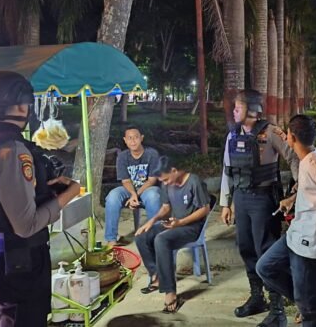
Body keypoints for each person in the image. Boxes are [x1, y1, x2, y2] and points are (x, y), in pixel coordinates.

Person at [0, 71, 81, 326]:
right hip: (20, 266)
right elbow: (25, 226)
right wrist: (69, 194)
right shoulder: (12, 151)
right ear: (18, 105)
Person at [256, 115, 316, 327]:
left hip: (309, 243)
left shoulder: (313, 164)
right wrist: (292, 199)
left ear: (292, 137)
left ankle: (309, 304)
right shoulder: (311, 154)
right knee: (265, 267)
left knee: (310, 314)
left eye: (287, 135)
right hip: (295, 234)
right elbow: (311, 186)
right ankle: (309, 298)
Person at [219, 89, 299, 325]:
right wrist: (226, 203)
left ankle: (277, 311)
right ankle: (257, 298)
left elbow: (294, 158)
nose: (234, 111)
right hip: (241, 198)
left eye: (238, 107)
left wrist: (297, 190)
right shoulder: (233, 135)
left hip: (264, 199)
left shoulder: (271, 132)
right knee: (246, 249)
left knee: (266, 251)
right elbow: (227, 170)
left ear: (252, 109)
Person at [134, 156, 211, 314]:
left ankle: (170, 292)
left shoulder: (194, 181)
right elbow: (165, 208)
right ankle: (157, 275)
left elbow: (205, 209)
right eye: (163, 181)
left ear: (174, 171)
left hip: (191, 227)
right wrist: (151, 221)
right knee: (142, 235)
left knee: (161, 240)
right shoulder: (166, 184)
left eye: (166, 179)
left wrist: (181, 222)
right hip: (174, 223)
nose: (165, 183)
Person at [105, 126, 161, 245]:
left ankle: (155, 237)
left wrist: (135, 195)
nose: (133, 141)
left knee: (154, 196)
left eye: (136, 137)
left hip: (147, 189)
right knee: (112, 196)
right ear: (125, 140)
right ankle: (111, 239)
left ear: (141, 138)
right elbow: (125, 181)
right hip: (129, 188)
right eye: (129, 138)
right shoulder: (122, 156)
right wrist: (132, 194)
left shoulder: (151, 154)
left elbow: (152, 180)